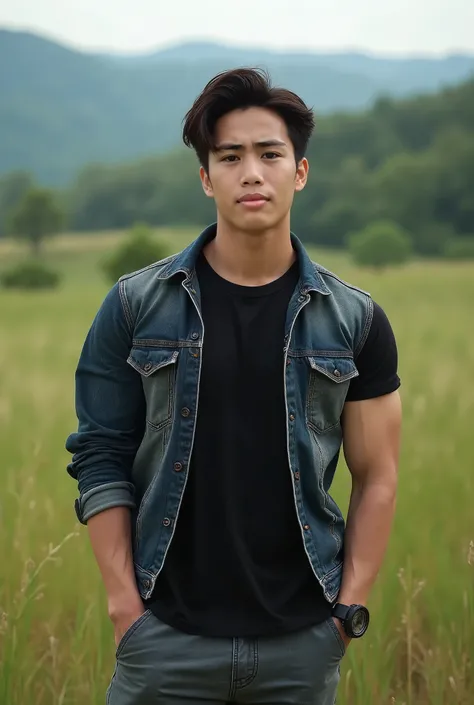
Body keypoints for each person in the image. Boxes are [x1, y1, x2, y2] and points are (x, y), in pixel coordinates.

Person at [66, 67, 401, 705]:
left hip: (302, 641)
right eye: (231, 156)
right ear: (206, 177)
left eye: (270, 154)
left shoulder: (356, 320)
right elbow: (100, 453)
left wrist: (346, 611)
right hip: (165, 637)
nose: (252, 172)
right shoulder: (136, 306)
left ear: (299, 171)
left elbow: (378, 474)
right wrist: (123, 608)